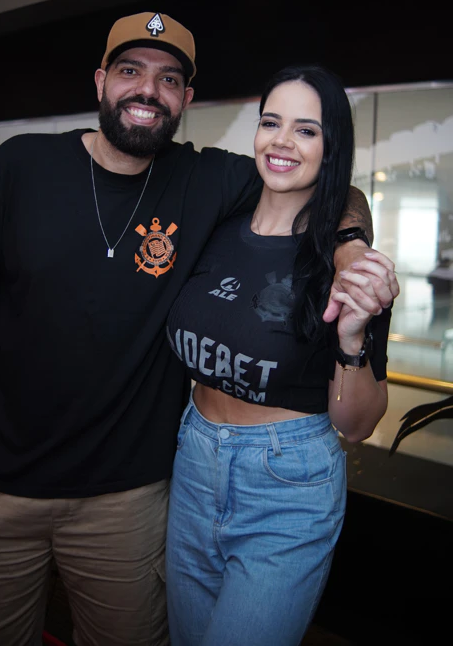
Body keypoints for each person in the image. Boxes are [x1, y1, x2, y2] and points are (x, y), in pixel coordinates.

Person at [0, 14, 394, 646]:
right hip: (13, 478)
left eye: (169, 78)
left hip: (137, 495)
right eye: (130, 70)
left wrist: (349, 247)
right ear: (101, 80)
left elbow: (332, 187)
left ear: (186, 98)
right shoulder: (23, 164)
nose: (148, 90)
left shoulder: (206, 180)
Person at [165, 64, 398, 646]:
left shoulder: (348, 267)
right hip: (193, 462)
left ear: (331, 146)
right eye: (271, 123)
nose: (282, 141)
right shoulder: (216, 224)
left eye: (307, 130)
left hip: (287, 482)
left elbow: (357, 426)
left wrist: (351, 339)